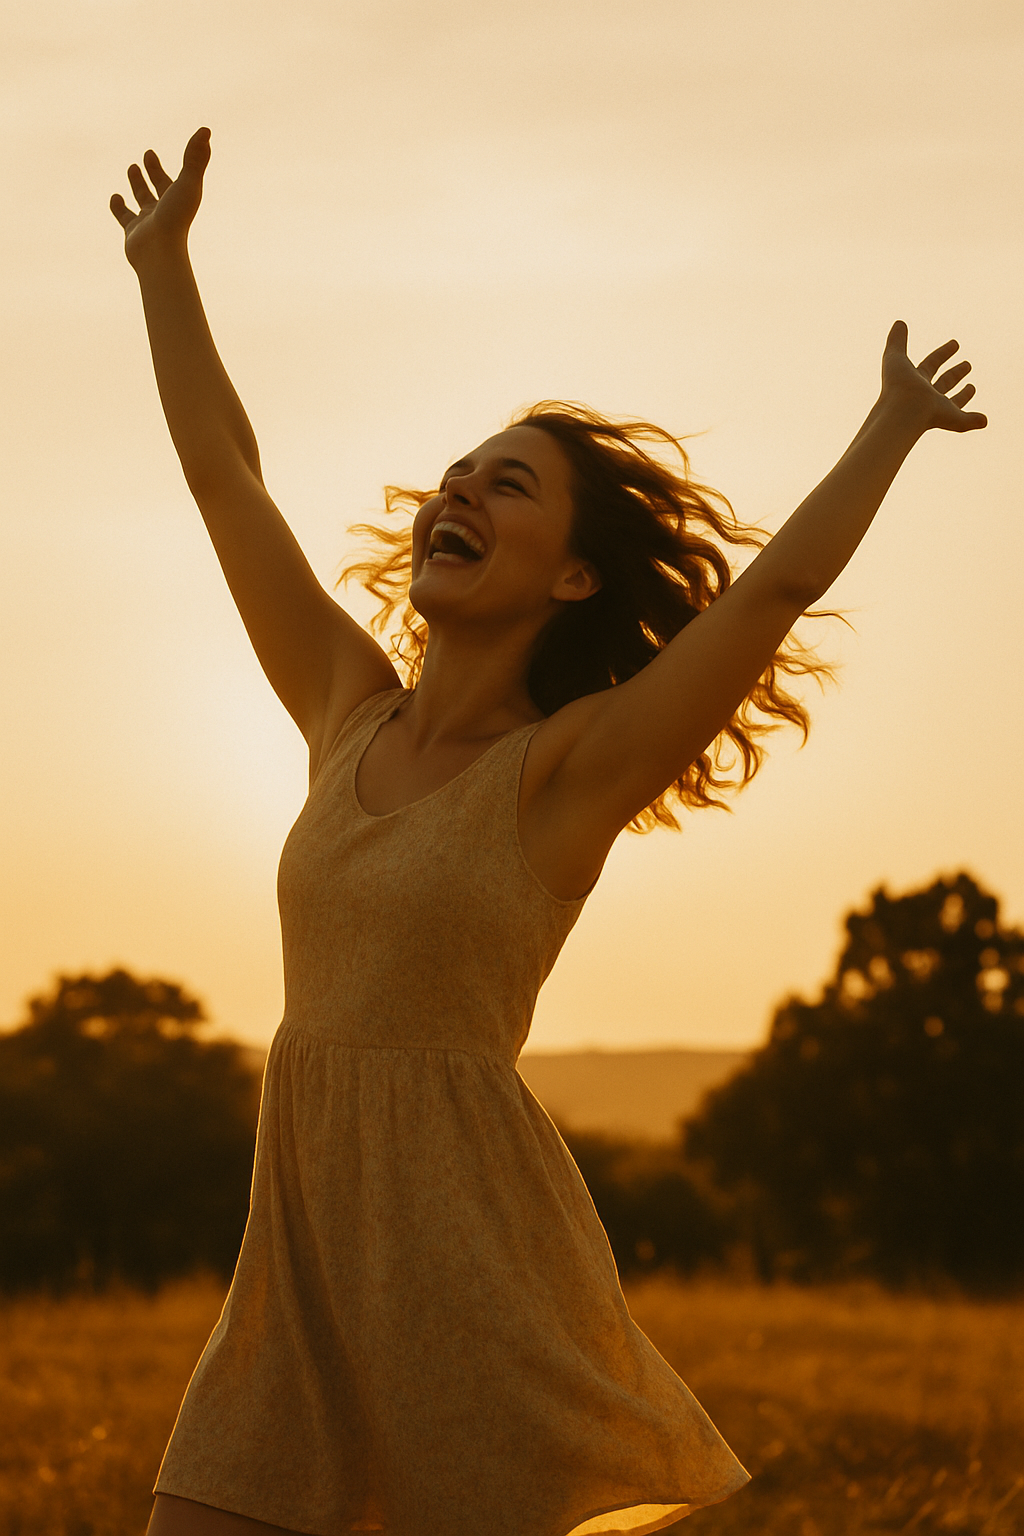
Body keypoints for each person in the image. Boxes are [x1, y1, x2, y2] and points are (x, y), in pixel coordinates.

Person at [110, 127, 986, 1536]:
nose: (457, 490)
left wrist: (886, 429)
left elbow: (763, 602)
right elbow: (229, 480)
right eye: (457, 473)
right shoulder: (345, 710)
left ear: (575, 576)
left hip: (468, 1266)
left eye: (506, 483)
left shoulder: (566, 773)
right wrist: (164, 268)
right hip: (299, 1266)